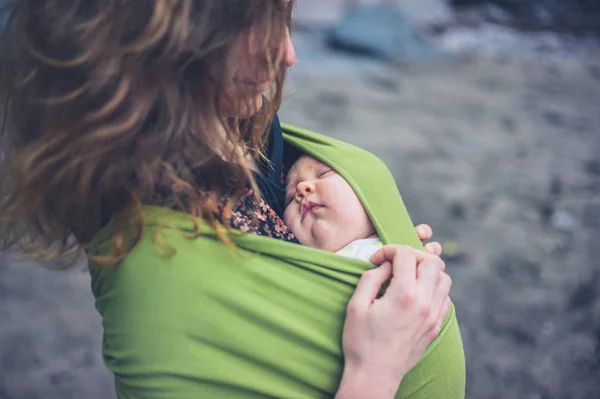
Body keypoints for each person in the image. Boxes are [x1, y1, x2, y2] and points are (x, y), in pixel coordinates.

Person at [0, 1, 465, 398]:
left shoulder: (236, 122)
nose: (288, 54)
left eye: (283, 15)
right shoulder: (156, 297)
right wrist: (375, 371)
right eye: (248, 26)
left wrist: (364, 254)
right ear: (150, 42)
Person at [283, 154, 443, 261]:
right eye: (290, 198)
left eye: (323, 174)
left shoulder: (397, 253)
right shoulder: (299, 280)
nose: (302, 188)